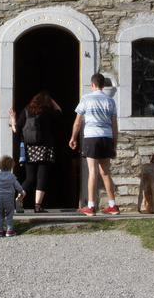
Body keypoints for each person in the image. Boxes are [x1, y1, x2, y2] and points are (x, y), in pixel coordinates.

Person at [69, 72, 120, 216]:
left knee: (92, 171)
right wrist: (114, 145)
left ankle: (90, 206)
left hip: (92, 137)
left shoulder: (86, 99)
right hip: (106, 137)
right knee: (105, 172)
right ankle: (113, 205)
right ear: (103, 85)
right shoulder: (110, 101)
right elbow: (114, 126)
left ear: (92, 84)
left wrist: (73, 137)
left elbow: (78, 121)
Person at [9, 90, 62, 213]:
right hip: (45, 149)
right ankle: (37, 205)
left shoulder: (26, 112)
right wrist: (52, 99)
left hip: (29, 149)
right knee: (41, 177)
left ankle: (19, 198)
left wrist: (13, 119)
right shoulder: (46, 112)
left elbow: (16, 129)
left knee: (30, 178)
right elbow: (59, 112)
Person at [0, 154, 26, 237]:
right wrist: (21, 192)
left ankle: (0, 231)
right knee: (9, 214)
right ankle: (9, 230)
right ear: (10, 167)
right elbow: (17, 186)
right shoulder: (12, 177)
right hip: (9, 198)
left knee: (0, 215)